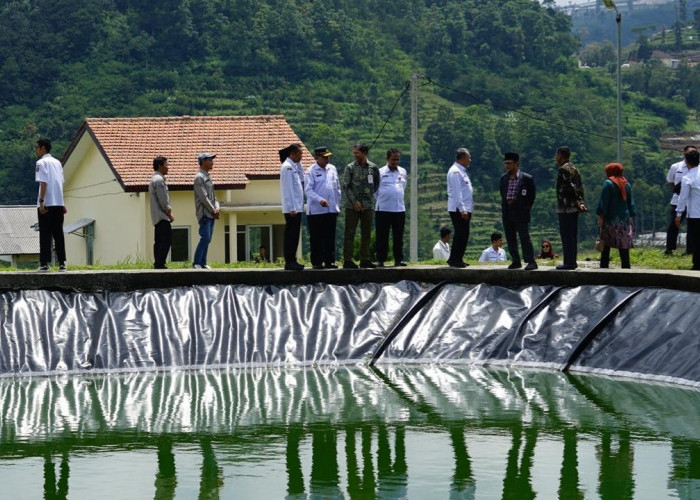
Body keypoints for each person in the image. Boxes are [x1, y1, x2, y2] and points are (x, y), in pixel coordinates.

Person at [342, 142, 379, 269]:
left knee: (366, 233)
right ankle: (347, 260)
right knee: (349, 233)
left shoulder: (373, 168)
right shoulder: (350, 167)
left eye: (357, 153)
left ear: (364, 153)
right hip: (352, 206)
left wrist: (367, 198)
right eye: (354, 153)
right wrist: (355, 202)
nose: (355, 155)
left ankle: (365, 259)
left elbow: (376, 184)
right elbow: (346, 186)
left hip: (368, 205)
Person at [500, 152, 537, 270]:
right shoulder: (503, 178)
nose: (507, 166)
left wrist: (525, 207)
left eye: (509, 163)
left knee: (524, 237)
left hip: (521, 212)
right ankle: (516, 261)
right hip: (507, 212)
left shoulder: (526, 178)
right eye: (505, 163)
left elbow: (531, 196)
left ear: (517, 163)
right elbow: (503, 194)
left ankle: (530, 261)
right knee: (510, 238)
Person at [305, 146, 341, 269]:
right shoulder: (311, 171)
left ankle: (329, 261)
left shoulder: (332, 169)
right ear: (317, 158)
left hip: (331, 209)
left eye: (328, 157)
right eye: (324, 157)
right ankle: (317, 262)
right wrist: (320, 199)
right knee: (317, 237)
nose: (327, 159)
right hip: (316, 211)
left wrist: (337, 204)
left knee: (330, 236)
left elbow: (337, 187)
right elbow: (308, 190)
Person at [34, 138, 66, 272]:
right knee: (58, 233)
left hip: (46, 203)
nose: (36, 150)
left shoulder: (41, 163)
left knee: (45, 234)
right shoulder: (57, 162)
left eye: (37, 147)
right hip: (58, 202)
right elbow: (60, 182)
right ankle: (62, 263)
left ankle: (44, 263)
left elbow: (43, 183)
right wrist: (62, 202)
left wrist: (41, 202)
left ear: (42, 148)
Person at [596, 162, 636, 269]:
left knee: (606, 245)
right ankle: (626, 269)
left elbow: (604, 202)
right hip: (624, 220)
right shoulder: (626, 184)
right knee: (623, 247)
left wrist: (601, 216)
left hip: (610, 220)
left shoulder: (608, 183)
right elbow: (630, 203)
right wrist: (631, 216)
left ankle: (604, 268)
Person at [555, 146, 587, 270]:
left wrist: (574, 201)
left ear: (560, 155)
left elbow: (570, 187)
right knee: (572, 236)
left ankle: (568, 262)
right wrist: (580, 201)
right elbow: (579, 187)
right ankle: (571, 261)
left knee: (566, 235)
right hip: (574, 208)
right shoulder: (574, 168)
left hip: (565, 207)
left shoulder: (563, 169)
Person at [375, 148, 407, 267]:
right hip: (383, 208)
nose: (395, 162)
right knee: (382, 236)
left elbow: (403, 187)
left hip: (399, 209)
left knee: (398, 236)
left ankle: (399, 259)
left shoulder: (402, 171)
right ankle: (381, 259)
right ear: (387, 159)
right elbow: (375, 191)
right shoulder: (380, 172)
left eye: (397, 159)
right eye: (393, 159)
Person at [446, 148, 474, 268]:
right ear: (462, 158)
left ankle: (458, 258)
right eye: (469, 157)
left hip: (465, 208)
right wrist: (462, 209)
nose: (470, 160)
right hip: (459, 209)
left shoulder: (461, 171)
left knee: (463, 234)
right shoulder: (455, 172)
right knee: (461, 233)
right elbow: (457, 193)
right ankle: (454, 259)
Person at [666, 145, 695, 255]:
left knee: (692, 227)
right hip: (677, 200)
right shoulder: (676, 166)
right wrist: (680, 192)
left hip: (693, 202)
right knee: (673, 225)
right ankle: (669, 248)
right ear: (684, 154)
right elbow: (671, 181)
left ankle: (690, 250)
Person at [280, 143, 305, 271]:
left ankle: (293, 259)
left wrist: (299, 163)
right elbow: (288, 189)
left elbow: (302, 177)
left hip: (297, 207)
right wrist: (292, 207)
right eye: (300, 154)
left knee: (295, 235)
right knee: (291, 235)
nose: (301, 156)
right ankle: (289, 261)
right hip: (292, 209)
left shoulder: (294, 166)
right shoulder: (287, 167)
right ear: (293, 154)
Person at [193, 152, 220, 269]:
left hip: (211, 213)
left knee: (208, 239)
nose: (212, 162)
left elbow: (213, 196)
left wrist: (217, 206)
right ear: (203, 162)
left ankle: (203, 263)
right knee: (205, 237)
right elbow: (203, 197)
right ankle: (197, 262)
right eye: (209, 160)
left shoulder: (207, 176)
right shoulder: (199, 177)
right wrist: (213, 210)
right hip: (205, 213)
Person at [675, 149, 700, 269]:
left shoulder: (687, 178)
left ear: (687, 162)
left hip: (695, 214)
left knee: (696, 240)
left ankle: (697, 264)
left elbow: (682, 198)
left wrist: (679, 214)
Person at [149, 156, 174, 269]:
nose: (168, 167)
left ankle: (157, 263)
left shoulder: (154, 179)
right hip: (162, 216)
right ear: (160, 166)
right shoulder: (159, 180)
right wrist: (169, 214)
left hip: (156, 217)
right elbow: (163, 201)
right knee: (166, 240)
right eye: (166, 165)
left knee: (158, 241)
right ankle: (160, 263)